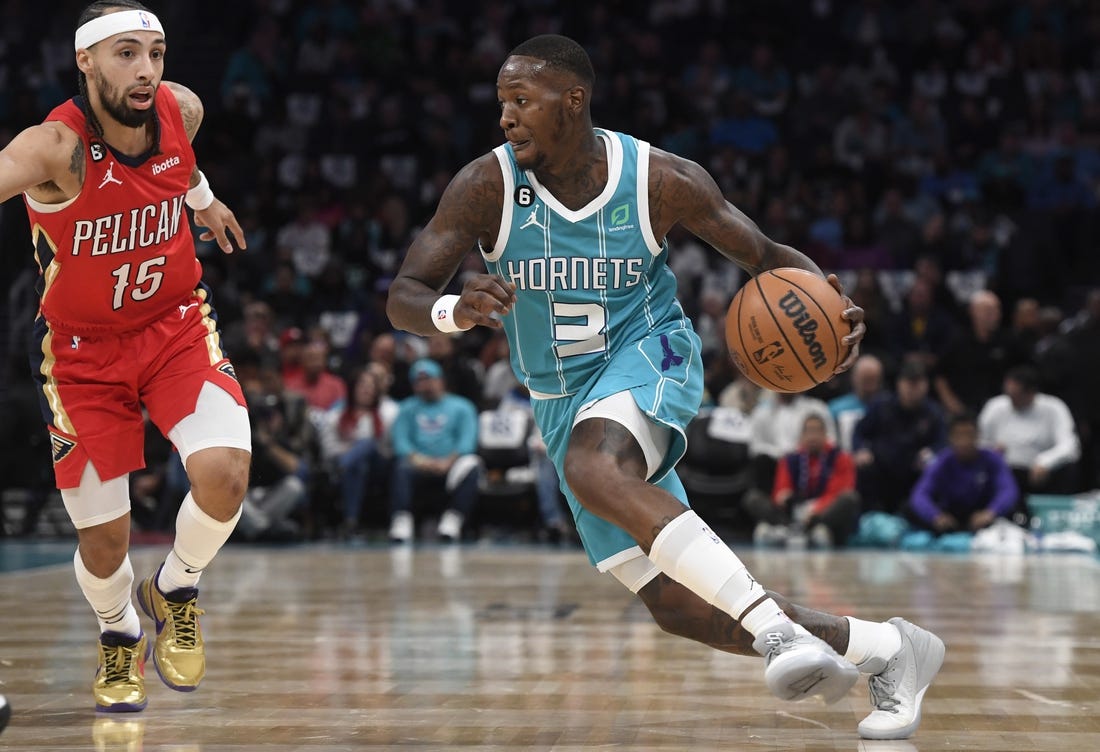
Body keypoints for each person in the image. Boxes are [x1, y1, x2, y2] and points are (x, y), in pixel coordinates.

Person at [386, 35, 943, 740]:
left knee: (596, 467)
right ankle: (889, 650)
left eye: (522, 101)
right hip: (560, 398)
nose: (507, 117)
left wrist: (829, 305)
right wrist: (453, 310)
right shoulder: (486, 186)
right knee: (676, 606)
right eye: (502, 102)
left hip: (652, 352)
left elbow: (767, 258)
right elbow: (403, 294)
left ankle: (775, 631)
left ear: (573, 101)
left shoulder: (658, 178)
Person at [0, 3, 251, 712]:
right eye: (125, 54)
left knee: (226, 474)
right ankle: (118, 634)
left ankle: (175, 585)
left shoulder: (181, 109)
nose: (145, 70)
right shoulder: (54, 147)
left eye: (156, 52)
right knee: (105, 544)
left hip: (173, 326)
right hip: (80, 356)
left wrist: (203, 201)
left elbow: (181, 163)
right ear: (85, 61)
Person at [388, 359, 481, 543]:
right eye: (419, 381)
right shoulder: (406, 408)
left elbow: (466, 442)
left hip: (451, 464)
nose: (424, 385)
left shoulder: (462, 407)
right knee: (401, 466)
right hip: (418, 465)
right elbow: (401, 443)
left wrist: (448, 462)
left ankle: (453, 519)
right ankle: (402, 520)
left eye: (428, 379)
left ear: (441, 380)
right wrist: (424, 462)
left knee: (473, 465)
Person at [744, 414, 861, 548]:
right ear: (802, 435)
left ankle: (811, 528)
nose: (813, 436)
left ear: (825, 434)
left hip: (822, 512)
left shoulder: (841, 458)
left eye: (817, 431)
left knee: (850, 498)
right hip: (794, 511)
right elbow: (781, 490)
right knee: (752, 498)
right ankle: (791, 530)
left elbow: (838, 491)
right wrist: (784, 497)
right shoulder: (790, 459)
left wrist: (815, 511)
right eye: (808, 431)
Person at [853, 359, 947, 517]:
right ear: (899, 384)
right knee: (864, 468)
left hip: (913, 470)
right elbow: (860, 432)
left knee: (934, 470)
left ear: (925, 385)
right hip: (881, 467)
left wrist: (931, 452)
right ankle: (870, 515)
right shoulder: (881, 405)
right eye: (908, 383)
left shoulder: (933, 413)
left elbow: (942, 442)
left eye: (917, 383)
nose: (912, 389)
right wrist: (861, 449)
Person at [978, 365, 1081, 501]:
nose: (1011, 399)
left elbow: (1069, 445)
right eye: (1008, 394)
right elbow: (978, 442)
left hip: (1042, 473)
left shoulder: (1054, 407)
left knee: (1069, 467)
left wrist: (1045, 462)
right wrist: (992, 450)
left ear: (1031, 392)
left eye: (1016, 395)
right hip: (1007, 471)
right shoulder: (995, 406)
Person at [909, 413, 1020, 533]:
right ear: (950, 438)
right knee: (909, 509)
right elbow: (920, 494)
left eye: (969, 435)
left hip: (983, 514)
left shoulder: (993, 459)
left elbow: (1008, 490)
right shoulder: (942, 462)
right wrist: (935, 516)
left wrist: (990, 512)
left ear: (978, 435)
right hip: (951, 516)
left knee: (1015, 510)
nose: (964, 441)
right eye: (959, 435)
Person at [827, 354, 884, 452]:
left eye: (872, 379)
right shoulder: (835, 408)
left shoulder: (887, 406)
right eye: (865, 379)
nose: (868, 385)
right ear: (854, 377)